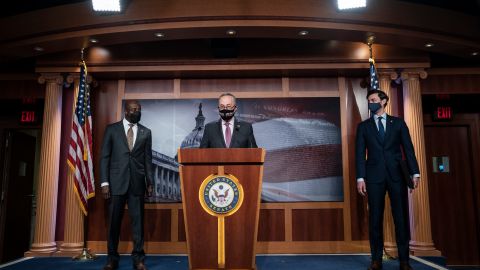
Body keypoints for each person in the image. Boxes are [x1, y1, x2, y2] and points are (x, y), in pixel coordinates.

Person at [355, 89, 420, 270]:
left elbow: (408, 149)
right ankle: (376, 260)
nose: (371, 103)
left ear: (383, 101)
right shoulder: (364, 126)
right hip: (373, 178)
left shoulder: (398, 123)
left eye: (374, 100)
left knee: (400, 219)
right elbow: (360, 155)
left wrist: (415, 173)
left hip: (397, 177)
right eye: (369, 100)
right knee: (375, 219)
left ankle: (404, 261)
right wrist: (360, 178)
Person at [100, 100, 153, 270]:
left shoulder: (146, 132)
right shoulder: (112, 129)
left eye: (139, 109)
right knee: (114, 223)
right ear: (126, 111)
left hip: (137, 184)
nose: (137, 112)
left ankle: (138, 258)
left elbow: (147, 160)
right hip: (115, 184)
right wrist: (104, 182)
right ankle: (112, 258)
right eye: (133, 109)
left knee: (138, 224)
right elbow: (105, 157)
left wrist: (150, 182)